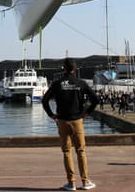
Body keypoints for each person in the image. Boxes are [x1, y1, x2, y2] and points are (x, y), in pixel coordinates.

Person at [42, 58, 98, 191]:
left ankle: (71, 183)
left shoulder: (57, 84)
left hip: (62, 120)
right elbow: (95, 99)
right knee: (81, 151)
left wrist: (52, 115)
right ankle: (85, 181)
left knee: (67, 151)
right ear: (75, 69)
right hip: (77, 120)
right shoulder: (81, 83)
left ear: (64, 68)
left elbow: (45, 100)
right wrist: (87, 113)